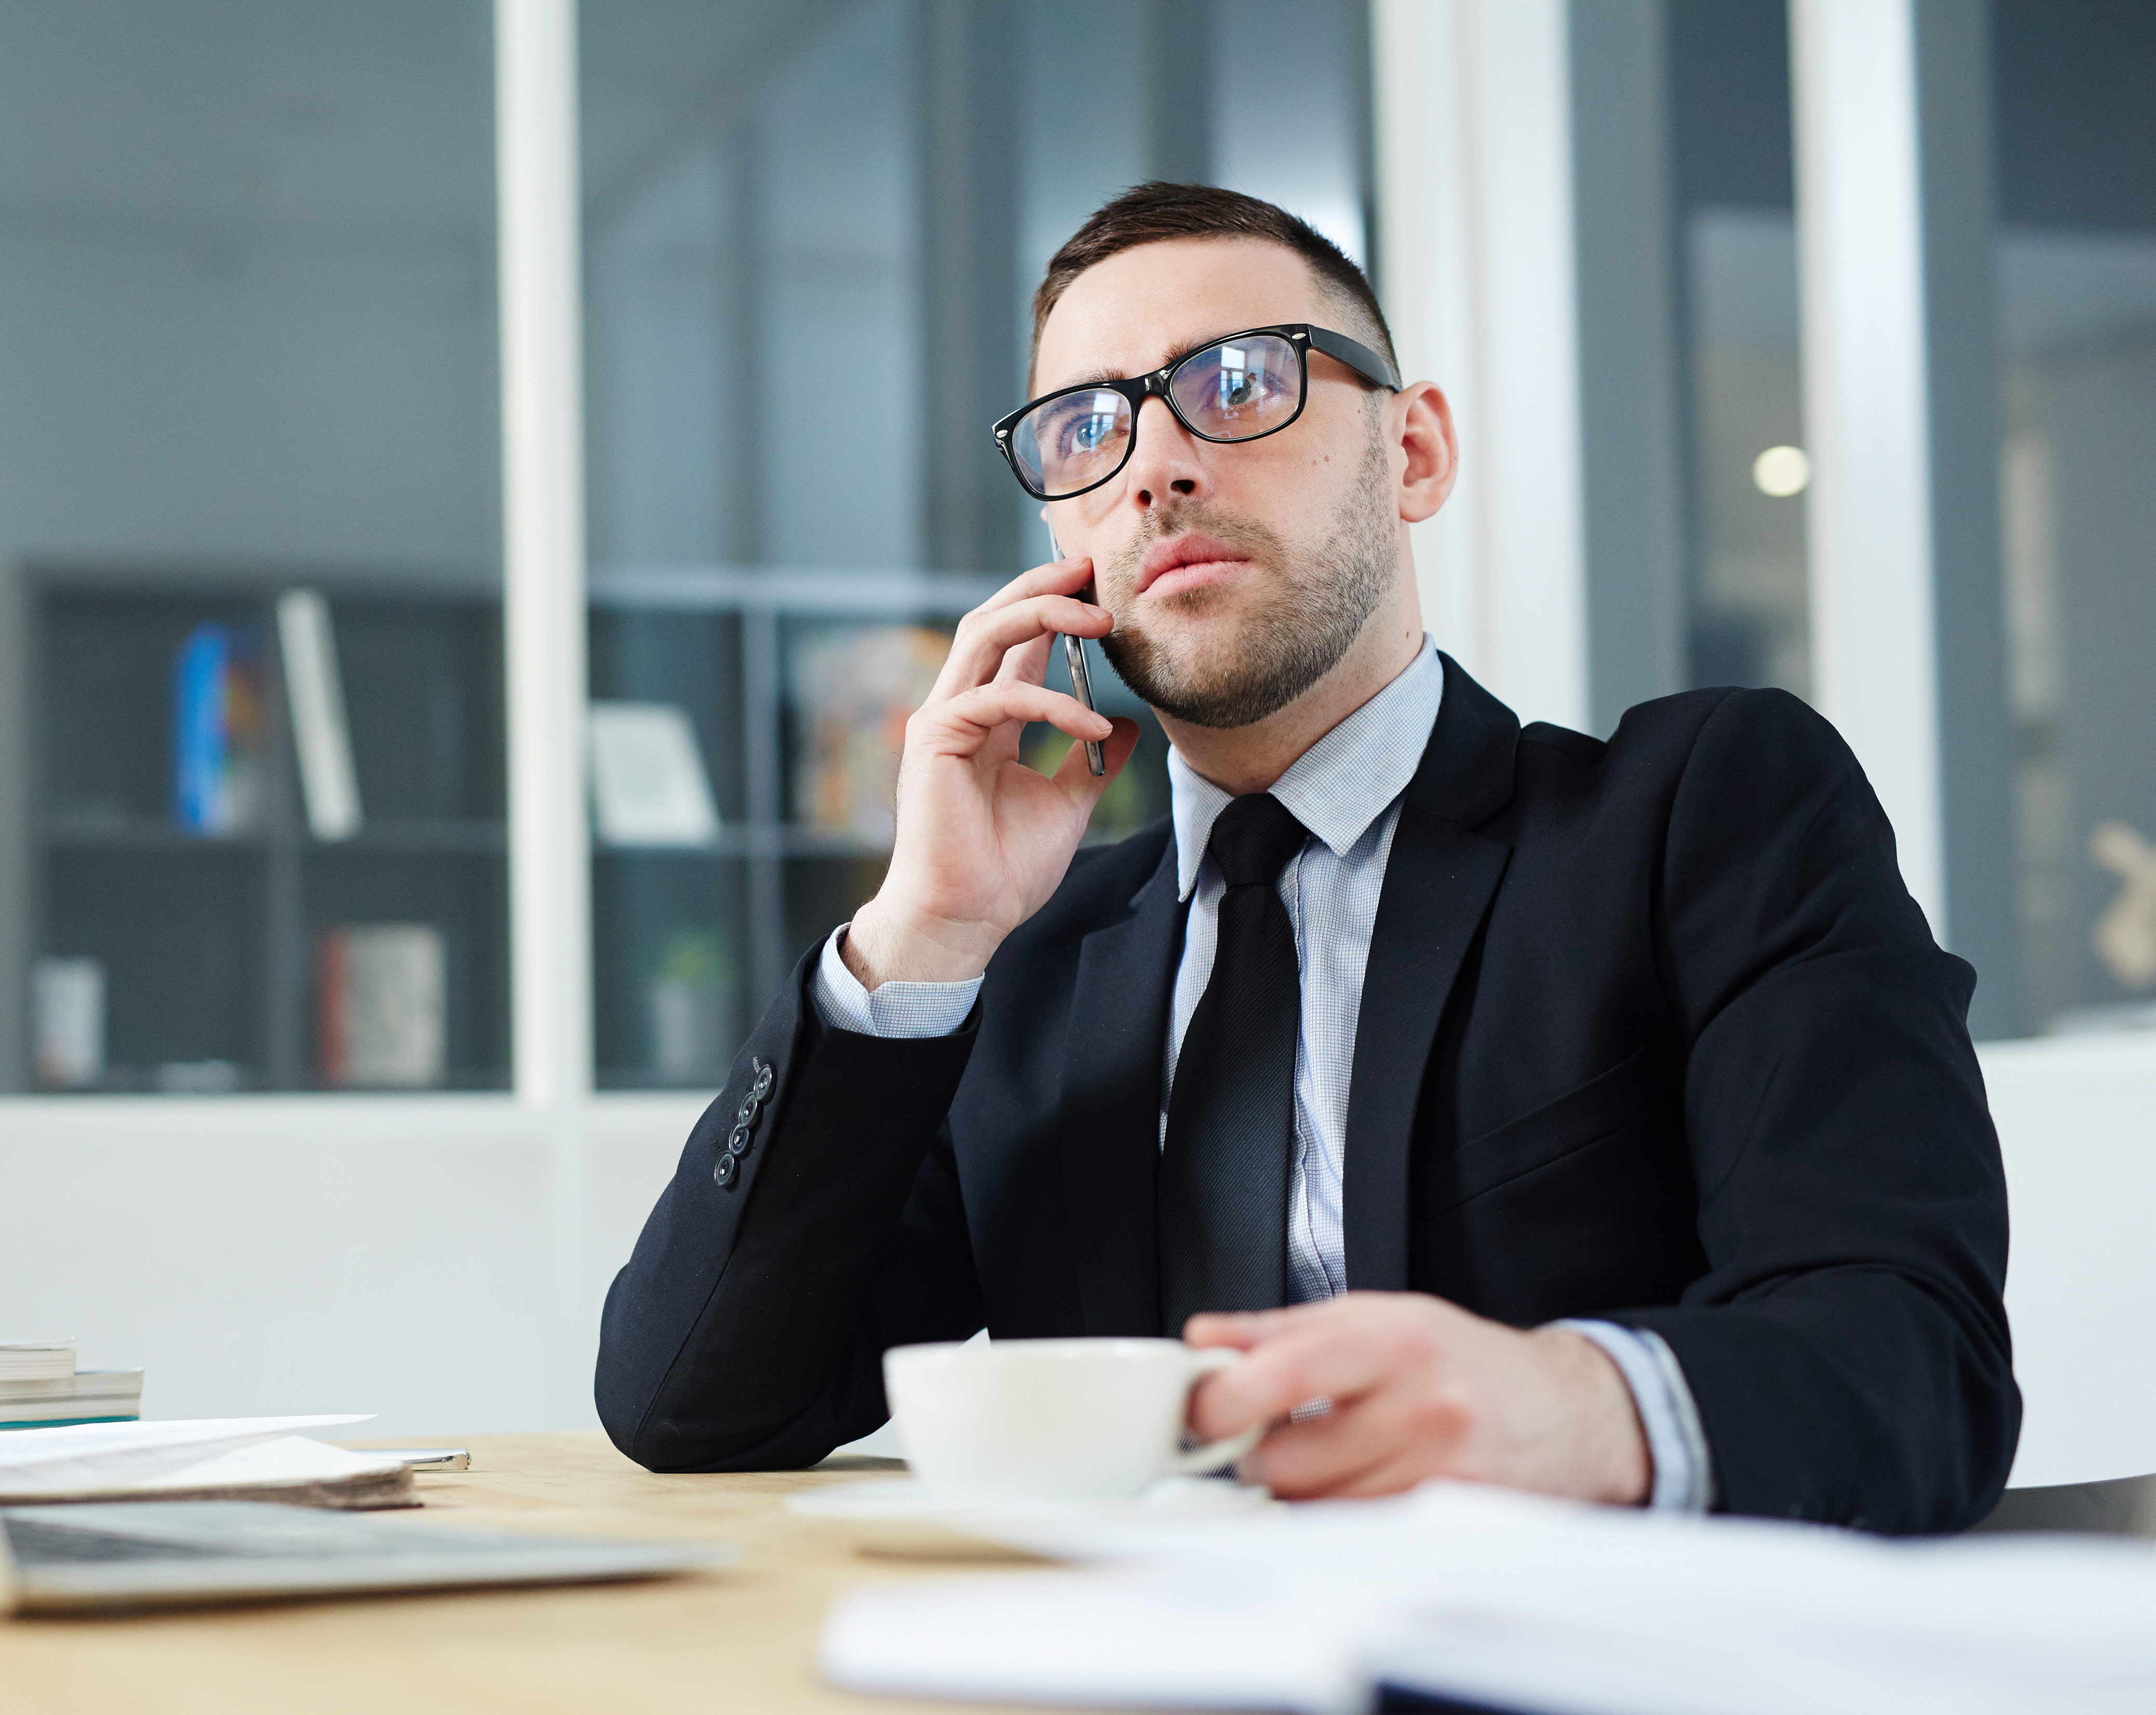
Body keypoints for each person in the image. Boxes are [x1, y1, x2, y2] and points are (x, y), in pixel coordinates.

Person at [594, 182, 2017, 1534]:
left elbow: (1915, 1355)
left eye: (1238, 383)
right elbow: (689, 1404)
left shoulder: (1698, 815)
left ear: (1414, 454)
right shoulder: (1018, 960)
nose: (1154, 464)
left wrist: (1575, 1409)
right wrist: (918, 936)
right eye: (1087, 430)